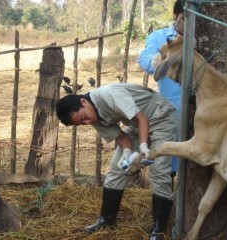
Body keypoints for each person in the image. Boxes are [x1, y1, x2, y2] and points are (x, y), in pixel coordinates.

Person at [56, 83, 178, 240]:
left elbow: (142, 118)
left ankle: (158, 230)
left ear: (83, 102)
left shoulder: (108, 95)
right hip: (136, 125)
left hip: (161, 117)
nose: (87, 122)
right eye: (82, 123)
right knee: (116, 168)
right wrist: (127, 153)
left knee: (159, 170)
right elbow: (122, 137)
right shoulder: (93, 118)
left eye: (84, 118)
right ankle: (107, 219)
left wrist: (142, 147)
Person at [138, 0, 185, 183]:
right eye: (184, 18)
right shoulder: (159, 37)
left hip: (201, 108)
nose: (188, 24)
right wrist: (157, 58)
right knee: (169, 161)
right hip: (172, 108)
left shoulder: (202, 36)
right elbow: (144, 59)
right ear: (176, 15)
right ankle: (168, 205)